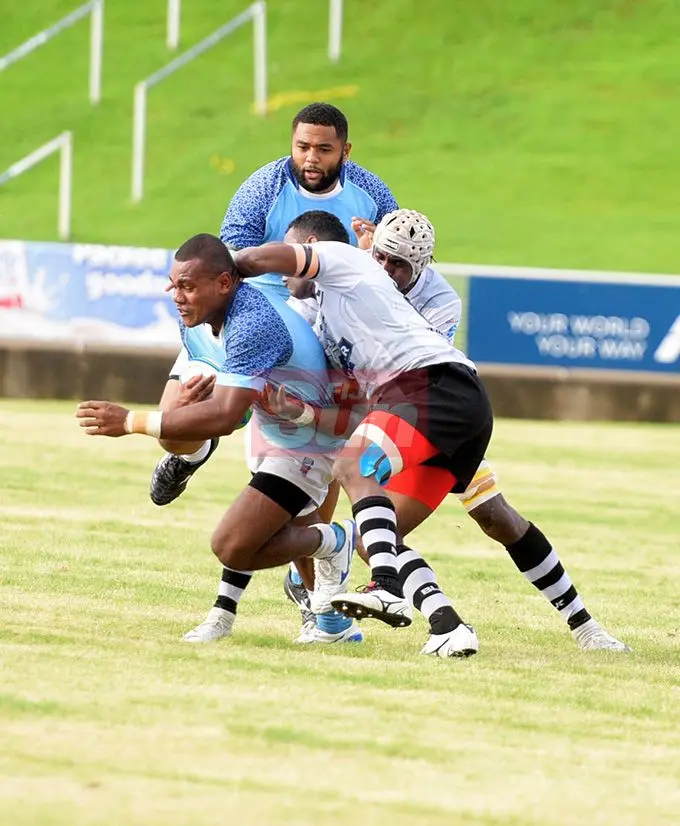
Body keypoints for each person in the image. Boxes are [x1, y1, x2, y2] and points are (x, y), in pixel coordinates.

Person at [149, 102, 399, 642]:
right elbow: (225, 259)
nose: (310, 158)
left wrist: (365, 251)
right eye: (303, 146)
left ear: (345, 151)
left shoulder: (373, 194)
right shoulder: (263, 186)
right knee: (174, 426)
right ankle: (194, 452)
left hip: (312, 342)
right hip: (244, 327)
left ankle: (318, 611)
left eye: (324, 149)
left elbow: (391, 266)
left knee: (304, 486)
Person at [346, 209, 629, 652]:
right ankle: (444, 622)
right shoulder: (360, 272)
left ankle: (586, 627)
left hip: (429, 411)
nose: (386, 270)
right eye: (381, 258)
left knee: (496, 517)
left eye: (397, 265)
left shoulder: (439, 299)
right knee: (374, 536)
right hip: (393, 413)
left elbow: (407, 355)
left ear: (421, 266)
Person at [76, 234, 363, 645]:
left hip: (307, 439)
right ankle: (242, 619)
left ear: (225, 283)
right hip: (273, 425)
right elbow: (223, 399)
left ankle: (336, 541)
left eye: (187, 286)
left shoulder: (252, 323)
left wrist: (130, 421)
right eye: (173, 284)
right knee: (246, 536)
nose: (177, 296)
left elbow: (227, 416)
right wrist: (186, 412)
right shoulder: (199, 314)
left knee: (232, 545)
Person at [233, 210, 492, 657]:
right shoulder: (328, 311)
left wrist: (223, 266)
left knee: (351, 465)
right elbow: (347, 407)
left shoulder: (345, 260)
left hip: (430, 384)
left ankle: (386, 588)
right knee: (374, 534)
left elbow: (261, 259)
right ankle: (449, 627)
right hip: (461, 404)